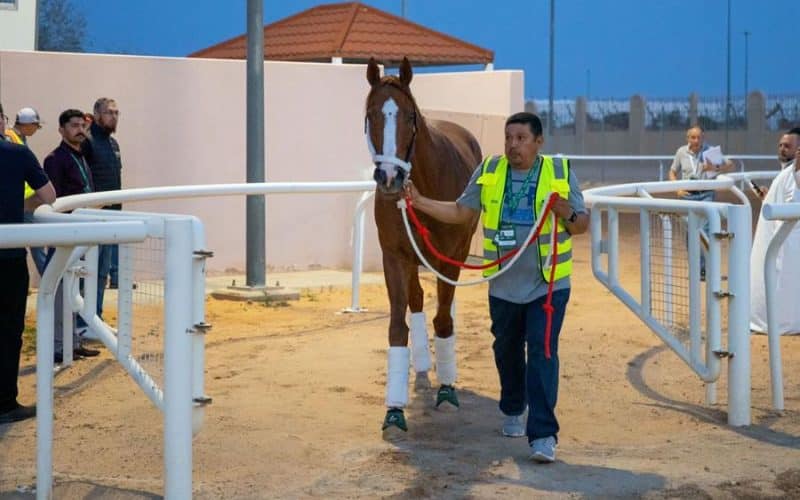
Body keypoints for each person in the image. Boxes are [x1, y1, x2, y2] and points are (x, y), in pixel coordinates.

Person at [405, 112, 589, 463]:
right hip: (503, 286)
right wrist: (420, 202)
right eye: (508, 138)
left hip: (547, 287)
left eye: (521, 138)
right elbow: (462, 212)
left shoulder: (560, 172)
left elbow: (581, 225)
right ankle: (513, 407)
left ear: (538, 142)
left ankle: (543, 435)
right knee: (506, 351)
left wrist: (565, 212)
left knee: (542, 353)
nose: (513, 145)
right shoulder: (490, 171)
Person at [0, 106, 56, 423]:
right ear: (3, 121)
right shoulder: (17, 154)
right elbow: (49, 195)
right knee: (8, 330)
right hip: (7, 256)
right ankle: (5, 402)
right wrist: (19, 206)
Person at [42, 109, 101, 363]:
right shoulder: (55, 159)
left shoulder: (82, 156)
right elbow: (54, 199)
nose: (79, 129)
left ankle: (73, 342)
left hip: (82, 231)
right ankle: (58, 345)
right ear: (61, 130)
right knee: (59, 289)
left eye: (81, 125)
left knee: (77, 287)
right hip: (65, 232)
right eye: (74, 125)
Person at [750, 128, 800, 335]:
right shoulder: (786, 174)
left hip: (787, 245)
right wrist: (768, 198)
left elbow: (795, 205)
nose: (782, 149)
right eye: (780, 145)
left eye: (787, 146)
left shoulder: (794, 173)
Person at [668, 125, 734, 280]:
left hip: (706, 195)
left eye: (699, 137)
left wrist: (715, 167)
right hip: (687, 196)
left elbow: (730, 164)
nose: (696, 140)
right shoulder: (681, 152)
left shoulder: (710, 151)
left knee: (705, 231)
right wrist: (677, 189)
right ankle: (696, 270)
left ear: (703, 138)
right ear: (687, 138)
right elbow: (672, 171)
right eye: (693, 137)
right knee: (691, 233)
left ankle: (705, 270)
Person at [83, 97, 122, 313]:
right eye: (109, 112)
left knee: (102, 272)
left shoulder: (113, 143)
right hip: (94, 217)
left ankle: (96, 316)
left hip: (113, 215)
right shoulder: (88, 141)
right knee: (90, 270)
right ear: (97, 115)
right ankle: (85, 319)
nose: (114, 116)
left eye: (117, 113)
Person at [4, 107, 47, 273]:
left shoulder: (18, 138)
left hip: (25, 200)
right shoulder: (11, 138)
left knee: (30, 242)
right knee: (35, 242)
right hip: (21, 201)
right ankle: (49, 278)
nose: (37, 129)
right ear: (27, 124)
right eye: (36, 125)